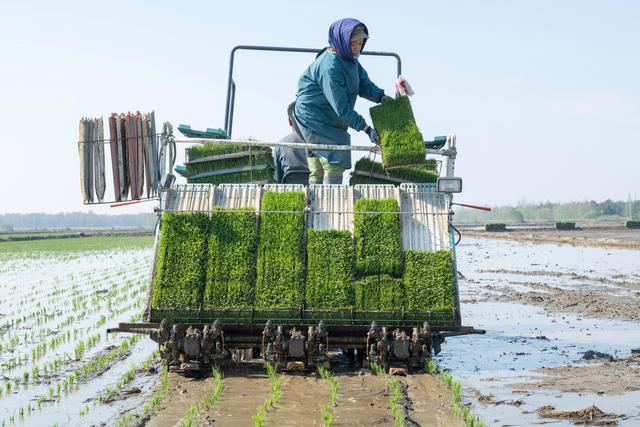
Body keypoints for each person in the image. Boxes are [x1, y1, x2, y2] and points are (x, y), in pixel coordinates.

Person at [293, 18, 393, 184]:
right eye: (353, 43)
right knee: (334, 157)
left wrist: (381, 97)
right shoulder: (330, 67)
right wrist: (367, 129)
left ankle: (318, 200)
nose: (357, 48)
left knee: (325, 159)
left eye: (360, 43)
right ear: (341, 41)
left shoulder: (351, 60)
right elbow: (342, 108)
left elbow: (364, 84)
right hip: (313, 118)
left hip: (331, 118)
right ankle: (324, 206)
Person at [273, 102, 311, 184]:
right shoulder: (317, 142)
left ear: (289, 121)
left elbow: (277, 178)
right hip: (317, 190)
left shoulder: (281, 144)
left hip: (288, 191)